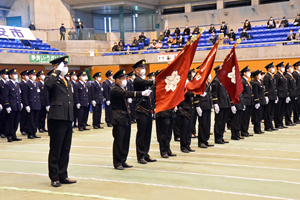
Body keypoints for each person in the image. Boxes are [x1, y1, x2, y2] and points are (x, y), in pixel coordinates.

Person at [110, 69, 151, 170]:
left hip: (126, 118)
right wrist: (141, 93)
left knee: (125, 141)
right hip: (118, 118)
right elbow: (126, 94)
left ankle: (123, 160)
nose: (125, 80)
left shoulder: (123, 89)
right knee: (119, 141)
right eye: (122, 78)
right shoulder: (115, 89)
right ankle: (117, 162)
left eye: (125, 78)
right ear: (117, 80)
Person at [45, 56, 76, 187]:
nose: (66, 68)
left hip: (67, 117)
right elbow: (47, 85)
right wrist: (57, 71)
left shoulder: (66, 80)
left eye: (66, 65)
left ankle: (63, 175)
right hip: (57, 118)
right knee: (56, 149)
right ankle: (54, 177)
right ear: (56, 67)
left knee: (65, 149)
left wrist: (72, 117)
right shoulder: (52, 79)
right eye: (63, 65)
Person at [133, 59, 156, 164]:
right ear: (136, 70)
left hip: (148, 111)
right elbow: (146, 82)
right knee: (141, 134)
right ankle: (140, 155)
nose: (143, 70)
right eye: (141, 68)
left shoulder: (144, 79)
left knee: (148, 134)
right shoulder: (137, 80)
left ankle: (146, 153)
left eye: (144, 68)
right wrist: (156, 80)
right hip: (141, 112)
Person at [194, 75, 214, 148]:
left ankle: (205, 140)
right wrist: (197, 105)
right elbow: (196, 94)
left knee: (207, 125)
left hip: (208, 105)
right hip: (202, 106)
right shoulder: (200, 82)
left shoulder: (207, 82)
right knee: (202, 124)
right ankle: (201, 141)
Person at [211, 66, 230, 144]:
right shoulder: (216, 80)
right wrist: (215, 103)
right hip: (220, 104)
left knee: (223, 122)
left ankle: (221, 136)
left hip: (225, 104)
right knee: (219, 122)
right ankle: (217, 138)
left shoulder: (223, 80)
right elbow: (214, 93)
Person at [5, 68, 22, 142]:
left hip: (17, 106)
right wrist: (7, 105)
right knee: (10, 122)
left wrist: (20, 103)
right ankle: (9, 135)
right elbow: (5, 96)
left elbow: (18, 95)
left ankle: (14, 134)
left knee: (16, 122)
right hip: (11, 106)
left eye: (16, 74)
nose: (16, 75)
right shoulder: (8, 84)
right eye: (14, 74)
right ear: (10, 76)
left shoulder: (17, 84)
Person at [25, 69, 41, 139]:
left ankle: (34, 132)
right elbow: (25, 95)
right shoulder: (27, 84)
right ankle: (30, 133)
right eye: (32, 75)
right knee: (30, 120)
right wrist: (26, 105)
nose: (34, 76)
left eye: (35, 75)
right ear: (29, 76)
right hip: (31, 104)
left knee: (36, 119)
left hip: (37, 104)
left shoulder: (37, 83)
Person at [263, 63, 278, 132]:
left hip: (273, 96)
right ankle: (267, 126)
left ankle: (271, 126)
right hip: (269, 96)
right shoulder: (267, 76)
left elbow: (274, 87)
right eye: (272, 67)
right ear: (268, 69)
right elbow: (265, 87)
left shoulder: (271, 76)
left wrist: (275, 96)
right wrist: (266, 95)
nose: (273, 68)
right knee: (268, 112)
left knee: (271, 112)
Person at [274, 62, 288, 129]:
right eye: (282, 67)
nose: (283, 68)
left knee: (282, 110)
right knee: (278, 110)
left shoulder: (282, 75)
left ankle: (281, 123)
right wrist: (276, 95)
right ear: (279, 68)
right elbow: (276, 86)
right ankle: (277, 124)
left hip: (283, 95)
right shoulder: (277, 75)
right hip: (279, 94)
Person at [240, 66, 253, 137]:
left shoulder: (247, 80)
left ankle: (246, 130)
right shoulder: (242, 80)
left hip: (249, 101)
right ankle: (243, 131)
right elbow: (241, 92)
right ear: (244, 73)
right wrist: (243, 102)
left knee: (247, 117)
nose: (249, 73)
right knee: (244, 118)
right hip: (245, 101)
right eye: (247, 72)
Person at [0, 68, 9, 139]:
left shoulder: (8, 83)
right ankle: (2, 132)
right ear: (1, 75)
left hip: (8, 103)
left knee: (7, 118)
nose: (6, 75)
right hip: (2, 104)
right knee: (2, 118)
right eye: (5, 74)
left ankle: (6, 131)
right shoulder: (0, 83)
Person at [19, 70, 29, 135]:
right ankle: (22, 129)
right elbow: (19, 94)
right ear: (23, 76)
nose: (27, 76)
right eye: (26, 75)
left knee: (28, 117)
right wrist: (21, 102)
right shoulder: (20, 84)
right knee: (23, 117)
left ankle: (27, 129)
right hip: (23, 102)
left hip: (28, 102)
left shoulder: (28, 83)